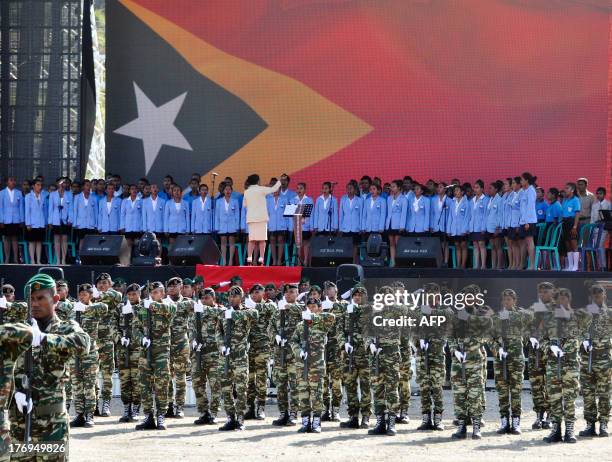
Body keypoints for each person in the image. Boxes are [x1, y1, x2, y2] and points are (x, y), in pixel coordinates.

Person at [9, 274, 90, 458]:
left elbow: (83, 344)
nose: (35, 304)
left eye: (40, 298)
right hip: (19, 426)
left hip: (53, 426)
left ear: (55, 299)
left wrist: (44, 339)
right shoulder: (18, 331)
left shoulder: (66, 328)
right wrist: (15, 392)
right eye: (31, 299)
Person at [542, 288, 592, 443]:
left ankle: (569, 431)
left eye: (565, 299)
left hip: (571, 365)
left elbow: (587, 327)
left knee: (570, 398)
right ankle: (555, 430)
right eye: (559, 299)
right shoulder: (548, 318)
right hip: (553, 364)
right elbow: (541, 339)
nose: (562, 302)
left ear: (569, 300)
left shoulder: (577, 317)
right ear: (555, 301)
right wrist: (549, 347)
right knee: (555, 398)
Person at [448, 286, 493, 440]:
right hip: (458, 361)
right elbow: (450, 337)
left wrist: (469, 346)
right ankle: (461, 426)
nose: (468, 299)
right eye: (465, 296)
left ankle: (476, 426)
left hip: (474, 359)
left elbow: (485, 336)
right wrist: (455, 350)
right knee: (459, 395)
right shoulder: (455, 316)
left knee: (475, 394)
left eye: (471, 296)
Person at [366, 286, 409, 436]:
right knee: (377, 389)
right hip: (376, 355)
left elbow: (403, 313)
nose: (385, 298)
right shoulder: (373, 312)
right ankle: (380, 422)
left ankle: (391, 422)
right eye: (382, 296)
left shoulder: (398, 310)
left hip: (392, 354)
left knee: (392, 389)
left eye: (388, 296)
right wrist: (369, 344)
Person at [134, 282, 176, 430]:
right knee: (144, 385)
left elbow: (169, 310)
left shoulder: (169, 306)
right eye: (152, 292)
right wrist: (141, 338)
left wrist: (150, 305)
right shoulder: (142, 309)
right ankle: (148, 415)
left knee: (161, 385)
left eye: (157, 292)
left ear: (163, 294)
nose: (154, 294)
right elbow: (135, 327)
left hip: (161, 351)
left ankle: (161, 415)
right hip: (145, 352)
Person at [216, 286, 259, 431]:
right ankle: (230, 418)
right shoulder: (223, 314)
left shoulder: (248, 312)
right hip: (226, 357)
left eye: (235, 296)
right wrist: (221, 346)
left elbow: (255, 315)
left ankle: (240, 418)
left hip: (240, 357)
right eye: (230, 296)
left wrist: (233, 315)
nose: (232, 298)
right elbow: (218, 333)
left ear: (241, 298)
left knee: (241, 389)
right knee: (226, 389)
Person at [291, 297, 335, 433]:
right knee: (303, 395)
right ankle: (305, 422)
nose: (310, 309)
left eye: (314, 306)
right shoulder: (300, 326)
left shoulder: (322, 323)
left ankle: (317, 422)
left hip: (316, 366)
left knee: (317, 394)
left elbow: (332, 317)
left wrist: (313, 317)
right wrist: (299, 352)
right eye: (308, 307)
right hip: (301, 366)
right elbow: (293, 341)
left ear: (319, 308)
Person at [491, 289, 532, 435]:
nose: (507, 302)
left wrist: (526, 339)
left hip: (516, 360)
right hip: (501, 361)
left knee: (516, 392)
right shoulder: (496, 318)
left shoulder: (520, 315)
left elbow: (530, 326)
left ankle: (516, 422)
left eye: (510, 299)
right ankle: (504, 422)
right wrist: (497, 348)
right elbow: (491, 338)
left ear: (515, 301)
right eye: (505, 300)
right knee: (502, 392)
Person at [69, 284, 108, 429]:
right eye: (80, 294)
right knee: (77, 385)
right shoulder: (73, 309)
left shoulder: (95, 309)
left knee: (89, 385)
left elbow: (105, 307)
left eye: (85, 294)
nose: (82, 296)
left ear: (91, 296)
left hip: (90, 353)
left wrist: (86, 308)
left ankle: (89, 415)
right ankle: (79, 414)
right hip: (75, 354)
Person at [414, 283, 452, 431]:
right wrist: (418, 342)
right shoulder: (419, 311)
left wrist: (429, 312)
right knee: (424, 387)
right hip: (422, 355)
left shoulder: (445, 310)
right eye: (428, 295)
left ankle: (438, 418)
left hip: (437, 354)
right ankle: (426, 418)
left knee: (436, 387)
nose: (432, 297)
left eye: (434, 294)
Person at [578, 284, 611, 438]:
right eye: (594, 296)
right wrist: (583, 340)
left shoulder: (609, 313)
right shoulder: (584, 313)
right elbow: (575, 331)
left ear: (604, 296)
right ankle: (590, 425)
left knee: (604, 394)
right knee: (588, 394)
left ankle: (604, 424)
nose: (597, 299)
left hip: (604, 359)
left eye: (599, 296)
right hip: (587, 360)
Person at [270, 284, 303, 426]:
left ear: (297, 294)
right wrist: (275, 336)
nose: (289, 295)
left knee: (295, 385)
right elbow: (270, 328)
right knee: (281, 385)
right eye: (287, 293)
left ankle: (294, 413)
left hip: (294, 355)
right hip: (280, 355)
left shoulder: (301, 310)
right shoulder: (278, 313)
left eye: (292, 292)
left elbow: (307, 313)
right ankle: (283, 413)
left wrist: (290, 307)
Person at [340, 286, 372, 429]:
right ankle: (353, 416)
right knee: (350, 386)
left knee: (366, 386)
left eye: (360, 295)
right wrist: (344, 343)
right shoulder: (347, 311)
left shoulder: (370, 311)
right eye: (355, 295)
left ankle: (365, 416)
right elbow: (339, 330)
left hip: (365, 355)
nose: (357, 297)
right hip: (350, 356)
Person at [191, 287, 222, 425]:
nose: (204, 300)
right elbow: (191, 329)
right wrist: (192, 342)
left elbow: (220, 314)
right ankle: (204, 412)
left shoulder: (219, 310)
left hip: (214, 354)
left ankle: (214, 412)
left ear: (213, 298)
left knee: (215, 384)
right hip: (198, 354)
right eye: (202, 298)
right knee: (198, 383)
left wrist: (202, 309)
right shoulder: (196, 313)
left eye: (207, 298)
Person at [244, 284, 276, 420]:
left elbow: (272, 309)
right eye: (253, 293)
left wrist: (253, 306)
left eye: (258, 292)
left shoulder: (268, 305)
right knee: (249, 379)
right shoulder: (245, 306)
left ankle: (261, 407)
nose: (255, 294)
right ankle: (250, 407)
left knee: (261, 378)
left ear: (263, 293)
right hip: (249, 347)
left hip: (263, 346)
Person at [93, 273, 122, 417]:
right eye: (100, 283)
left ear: (110, 285)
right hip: (93, 341)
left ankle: (106, 404)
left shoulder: (112, 296)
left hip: (107, 341)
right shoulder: (90, 296)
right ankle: (94, 404)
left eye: (105, 283)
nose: (102, 285)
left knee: (107, 374)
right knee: (92, 374)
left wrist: (97, 295)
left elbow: (117, 296)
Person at [527, 282, 555, 430]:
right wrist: (529, 337)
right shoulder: (533, 308)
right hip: (535, 353)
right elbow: (523, 326)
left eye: (546, 291)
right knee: (536, 385)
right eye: (541, 292)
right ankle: (539, 415)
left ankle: (550, 416)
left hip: (550, 353)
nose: (543, 294)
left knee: (551, 385)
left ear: (553, 292)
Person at [165, 277, 191, 419]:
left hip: (181, 343)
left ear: (181, 287)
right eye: (170, 286)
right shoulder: (162, 303)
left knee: (181, 376)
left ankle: (180, 406)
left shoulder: (187, 303)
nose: (173, 288)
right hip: (166, 344)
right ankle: (168, 405)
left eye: (176, 286)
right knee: (167, 376)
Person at [242, 174, 282, 265]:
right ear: (257, 181)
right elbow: (273, 189)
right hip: (261, 218)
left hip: (251, 218)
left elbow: (244, 205)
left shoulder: (246, 191)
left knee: (251, 240)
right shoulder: (261, 189)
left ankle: (249, 257)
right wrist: (279, 181)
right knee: (262, 239)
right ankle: (261, 258)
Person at [117, 283, 142, 423]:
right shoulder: (120, 308)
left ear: (139, 294)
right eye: (130, 294)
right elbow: (112, 327)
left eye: (135, 294)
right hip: (123, 350)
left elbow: (146, 327)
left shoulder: (144, 308)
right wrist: (119, 339)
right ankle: (127, 408)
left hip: (138, 349)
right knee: (125, 380)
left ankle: (136, 408)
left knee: (137, 380)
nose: (132, 297)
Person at [47, 179, 73, 265]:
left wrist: (70, 219)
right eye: (61, 183)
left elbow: (71, 209)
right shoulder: (52, 194)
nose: (62, 184)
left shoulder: (69, 194)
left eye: (64, 183)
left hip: (65, 220)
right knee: (57, 239)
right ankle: (58, 259)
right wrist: (50, 221)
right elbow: (50, 209)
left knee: (64, 239)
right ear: (57, 184)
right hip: (55, 220)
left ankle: (63, 259)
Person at [0, 176, 25, 263]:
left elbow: (21, 207)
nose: (13, 182)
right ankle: (6, 258)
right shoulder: (2, 193)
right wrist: (1, 220)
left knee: (15, 239)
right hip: (6, 220)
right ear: (7, 182)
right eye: (11, 180)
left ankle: (15, 258)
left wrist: (22, 219)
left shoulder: (18, 193)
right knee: (6, 239)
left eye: (14, 180)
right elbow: (1, 207)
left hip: (16, 219)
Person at [215, 183, 240, 266]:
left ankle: (230, 261)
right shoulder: (218, 201)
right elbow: (217, 215)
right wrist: (217, 226)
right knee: (223, 242)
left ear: (231, 191)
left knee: (232, 242)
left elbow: (237, 214)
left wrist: (237, 226)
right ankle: (224, 260)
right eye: (226, 189)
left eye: (229, 189)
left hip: (232, 225)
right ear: (223, 191)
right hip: (222, 225)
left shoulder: (235, 201)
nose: (228, 191)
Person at [289, 183, 315, 266]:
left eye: (301, 188)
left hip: (305, 226)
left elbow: (311, 214)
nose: (299, 190)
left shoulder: (309, 200)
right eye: (297, 188)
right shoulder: (292, 200)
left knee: (306, 244)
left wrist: (311, 226)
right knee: (298, 244)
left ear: (305, 190)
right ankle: (299, 262)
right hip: (296, 227)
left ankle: (306, 261)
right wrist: (291, 227)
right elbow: (290, 216)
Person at [24, 179, 48, 265]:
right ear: (33, 186)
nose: (40, 187)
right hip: (32, 222)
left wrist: (45, 222)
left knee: (39, 242)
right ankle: (32, 260)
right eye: (38, 185)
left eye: (41, 185)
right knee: (32, 242)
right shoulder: (28, 196)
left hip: (41, 222)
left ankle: (38, 260)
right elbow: (27, 211)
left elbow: (45, 210)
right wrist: (28, 223)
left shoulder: (43, 196)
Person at [339, 181, 364, 263]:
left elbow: (361, 215)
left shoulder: (360, 200)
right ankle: (347, 261)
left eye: (351, 188)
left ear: (355, 189)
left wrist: (361, 227)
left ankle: (353, 262)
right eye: (348, 188)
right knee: (346, 245)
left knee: (355, 246)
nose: (349, 190)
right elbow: (341, 214)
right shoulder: (343, 199)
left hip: (356, 227)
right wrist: (340, 227)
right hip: (345, 227)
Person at [266, 179, 290, 266]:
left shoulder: (284, 199)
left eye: (277, 189)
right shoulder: (268, 200)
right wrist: (267, 226)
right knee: (272, 240)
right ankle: (274, 260)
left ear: (280, 190)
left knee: (280, 240)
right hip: (271, 224)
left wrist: (287, 226)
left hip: (282, 225)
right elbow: (267, 214)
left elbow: (287, 215)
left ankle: (279, 260)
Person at [447, 185, 470, 268]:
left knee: (463, 246)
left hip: (463, 229)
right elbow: (450, 217)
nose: (455, 192)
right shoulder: (453, 202)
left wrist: (465, 229)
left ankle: (463, 264)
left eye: (457, 190)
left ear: (462, 192)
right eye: (455, 191)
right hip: (454, 228)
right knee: (457, 245)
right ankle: (458, 264)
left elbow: (467, 217)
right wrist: (449, 230)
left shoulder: (466, 203)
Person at [385, 180, 407, 267]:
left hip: (398, 224)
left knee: (398, 243)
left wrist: (402, 226)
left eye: (393, 186)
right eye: (391, 186)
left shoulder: (403, 199)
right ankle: (392, 260)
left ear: (399, 188)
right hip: (390, 223)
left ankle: (399, 260)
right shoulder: (389, 198)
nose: (391, 188)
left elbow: (404, 213)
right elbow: (388, 212)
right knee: (391, 243)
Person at [519, 172, 538, 270]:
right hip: (523, 220)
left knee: (530, 242)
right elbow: (521, 207)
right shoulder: (523, 191)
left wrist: (527, 222)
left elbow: (530, 207)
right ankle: (524, 264)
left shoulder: (531, 191)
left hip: (529, 220)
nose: (520, 181)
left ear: (526, 180)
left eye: (522, 180)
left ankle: (532, 265)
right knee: (525, 242)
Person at [430, 182, 451, 265]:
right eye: (438, 187)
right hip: (435, 226)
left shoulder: (449, 201)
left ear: (445, 189)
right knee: (437, 245)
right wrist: (431, 225)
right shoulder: (433, 199)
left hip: (444, 226)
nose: (438, 189)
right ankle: (438, 262)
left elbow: (450, 216)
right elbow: (432, 214)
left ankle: (445, 262)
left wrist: (449, 228)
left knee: (445, 245)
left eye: (441, 187)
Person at [561, 182, 581, 271]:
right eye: (565, 188)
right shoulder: (564, 200)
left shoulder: (576, 200)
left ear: (572, 190)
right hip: (565, 223)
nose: (565, 190)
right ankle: (570, 266)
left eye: (567, 188)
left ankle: (575, 266)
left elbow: (577, 213)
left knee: (573, 244)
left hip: (572, 222)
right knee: (568, 245)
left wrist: (575, 226)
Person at [469, 180, 488, 269]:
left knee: (481, 244)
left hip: (481, 226)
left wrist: (483, 227)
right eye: (474, 187)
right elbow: (470, 215)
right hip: (473, 226)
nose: (475, 189)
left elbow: (485, 215)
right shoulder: (471, 200)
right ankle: (476, 265)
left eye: (477, 187)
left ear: (482, 189)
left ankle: (483, 265)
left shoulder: (486, 199)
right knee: (475, 245)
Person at [590, 187, 611, 270]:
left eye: (601, 193)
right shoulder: (594, 205)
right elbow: (592, 218)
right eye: (597, 193)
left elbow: (610, 217)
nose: (599, 195)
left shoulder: (608, 204)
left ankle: (603, 266)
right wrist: (591, 228)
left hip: (604, 229)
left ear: (604, 194)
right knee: (596, 247)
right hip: (595, 229)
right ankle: (599, 266)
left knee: (600, 246)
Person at [485, 181, 504, 269]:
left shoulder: (499, 200)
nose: (489, 190)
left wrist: (498, 227)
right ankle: (493, 266)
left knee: (498, 247)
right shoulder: (490, 199)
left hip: (496, 227)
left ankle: (499, 266)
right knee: (492, 247)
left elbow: (500, 215)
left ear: (496, 189)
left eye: (491, 188)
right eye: (489, 188)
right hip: (489, 227)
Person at [120, 184, 143, 254]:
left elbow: (143, 215)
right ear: (129, 191)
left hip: (138, 227)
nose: (134, 190)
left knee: (137, 245)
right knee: (128, 245)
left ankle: (136, 262)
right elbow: (122, 214)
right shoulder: (125, 201)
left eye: (135, 189)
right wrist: (122, 226)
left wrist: (142, 227)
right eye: (132, 189)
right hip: (128, 227)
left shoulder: (141, 201)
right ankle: (128, 262)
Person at [507, 177, 522, 269]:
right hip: (511, 223)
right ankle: (515, 264)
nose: (512, 185)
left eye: (513, 183)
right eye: (511, 183)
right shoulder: (512, 194)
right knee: (513, 244)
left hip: (518, 223)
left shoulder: (522, 194)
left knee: (520, 244)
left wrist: (519, 224)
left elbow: (522, 210)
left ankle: (520, 263)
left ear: (519, 184)